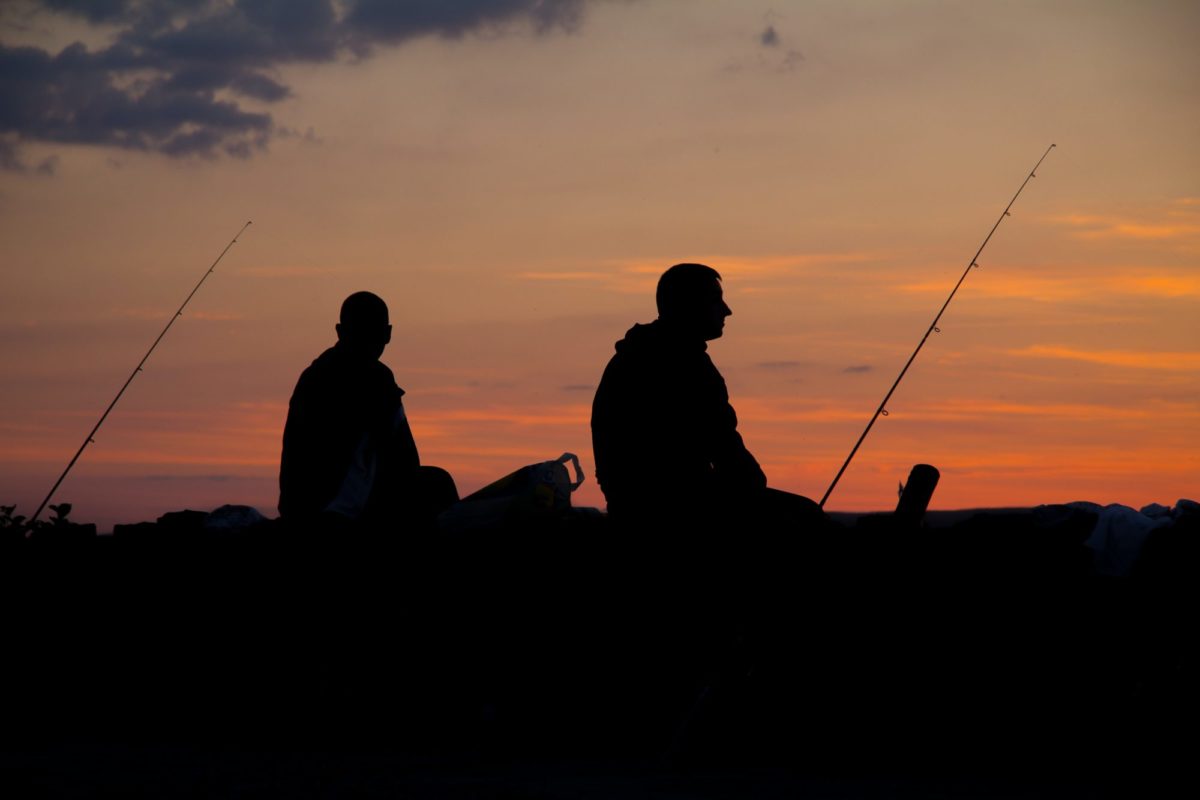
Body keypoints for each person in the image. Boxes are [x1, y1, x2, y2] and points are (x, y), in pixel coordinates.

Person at [591, 263, 821, 530]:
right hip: (680, 507)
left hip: (631, 506)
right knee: (807, 516)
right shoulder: (687, 365)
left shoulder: (629, 356)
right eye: (716, 300)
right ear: (689, 304)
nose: (727, 310)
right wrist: (753, 483)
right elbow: (724, 446)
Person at [279, 291, 457, 530]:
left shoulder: (314, 375)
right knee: (437, 483)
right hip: (338, 508)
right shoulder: (376, 378)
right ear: (387, 334)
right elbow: (403, 456)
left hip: (302, 505)